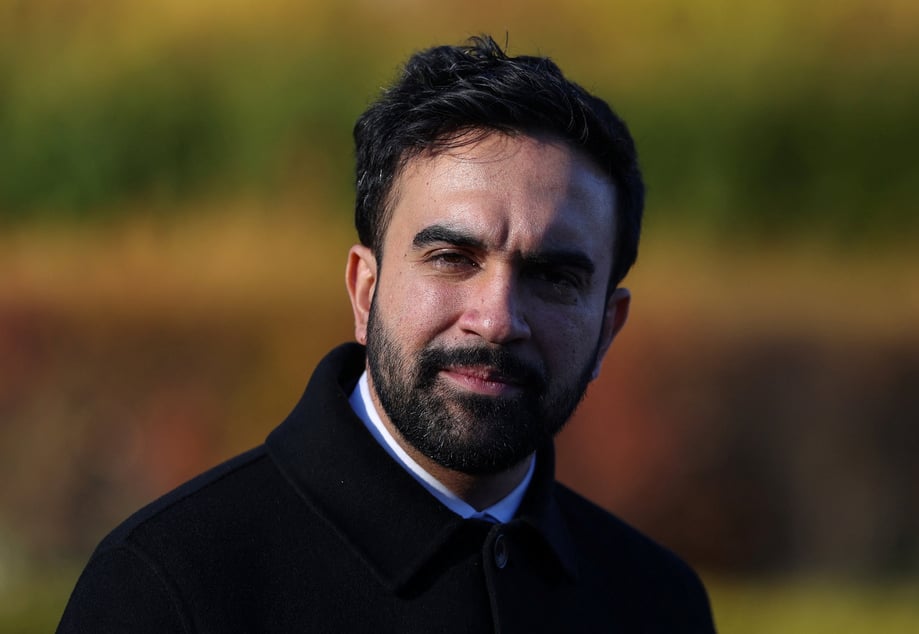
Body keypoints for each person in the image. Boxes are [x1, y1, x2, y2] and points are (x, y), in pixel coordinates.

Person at [58, 35, 715, 633]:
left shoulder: (657, 603)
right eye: (452, 258)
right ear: (364, 289)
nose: (495, 319)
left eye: (552, 277)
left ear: (607, 327)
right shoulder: (169, 589)